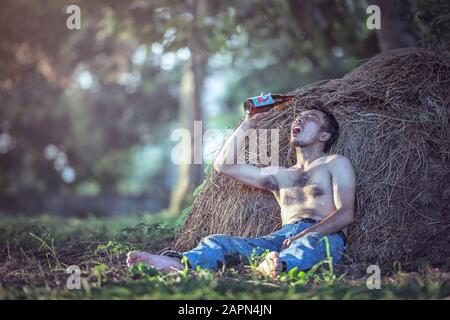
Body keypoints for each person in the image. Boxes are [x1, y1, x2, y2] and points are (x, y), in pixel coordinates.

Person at [127, 101, 356, 277]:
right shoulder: (279, 174)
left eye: (311, 118)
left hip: (323, 235)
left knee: (308, 246)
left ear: (324, 135)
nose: (300, 119)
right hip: (281, 239)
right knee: (218, 242)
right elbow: (224, 165)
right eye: (299, 117)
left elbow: (345, 214)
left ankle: (280, 266)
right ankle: (177, 263)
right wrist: (249, 123)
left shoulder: (334, 163)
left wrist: (303, 235)